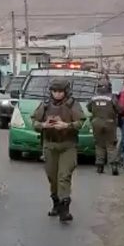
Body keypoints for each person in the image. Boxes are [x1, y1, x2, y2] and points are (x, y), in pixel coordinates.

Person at [31, 79, 85, 222]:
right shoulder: (45, 105)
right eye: (54, 91)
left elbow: (81, 122)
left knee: (64, 176)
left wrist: (67, 125)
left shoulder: (72, 104)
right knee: (52, 177)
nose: (57, 94)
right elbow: (34, 122)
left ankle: (64, 208)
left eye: (60, 91)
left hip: (68, 145)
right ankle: (55, 203)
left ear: (66, 92)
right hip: (50, 145)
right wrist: (43, 125)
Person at [87, 81, 123, 176]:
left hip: (96, 122)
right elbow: (119, 109)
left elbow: (89, 108)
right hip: (110, 123)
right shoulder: (112, 97)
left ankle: (100, 165)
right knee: (111, 144)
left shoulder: (93, 97)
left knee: (99, 144)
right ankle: (114, 165)